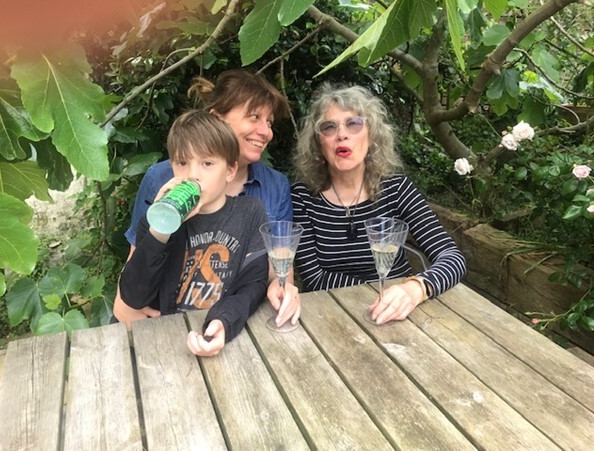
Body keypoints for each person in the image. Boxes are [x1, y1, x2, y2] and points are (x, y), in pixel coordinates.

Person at [116, 69, 300, 329]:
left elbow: (276, 271)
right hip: (164, 325)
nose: (266, 131)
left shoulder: (274, 187)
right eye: (254, 117)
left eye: (269, 122)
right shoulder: (163, 179)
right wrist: (126, 310)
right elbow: (137, 267)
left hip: (235, 320)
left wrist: (284, 287)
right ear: (217, 121)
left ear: (231, 170)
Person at [291, 84, 466, 325]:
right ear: (319, 144)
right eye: (329, 127)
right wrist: (383, 291)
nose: (341, 134)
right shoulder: (302, 197)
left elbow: (452, 257)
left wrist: (414, 289)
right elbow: (314, 278)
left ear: (371, 135)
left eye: (353, 123)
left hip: (401, 314)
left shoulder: (397, 189)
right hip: (332, 317)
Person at [119, 110, 268, 356]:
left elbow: (253, 284)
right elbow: (134, 297)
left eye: (207, 163)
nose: (192, 175)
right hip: (162, 339)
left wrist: (224, 321)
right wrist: (160, 231)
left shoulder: (250, 212)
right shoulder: (157, 220)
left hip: (217, 331)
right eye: (182, 163)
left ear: (230, 171)